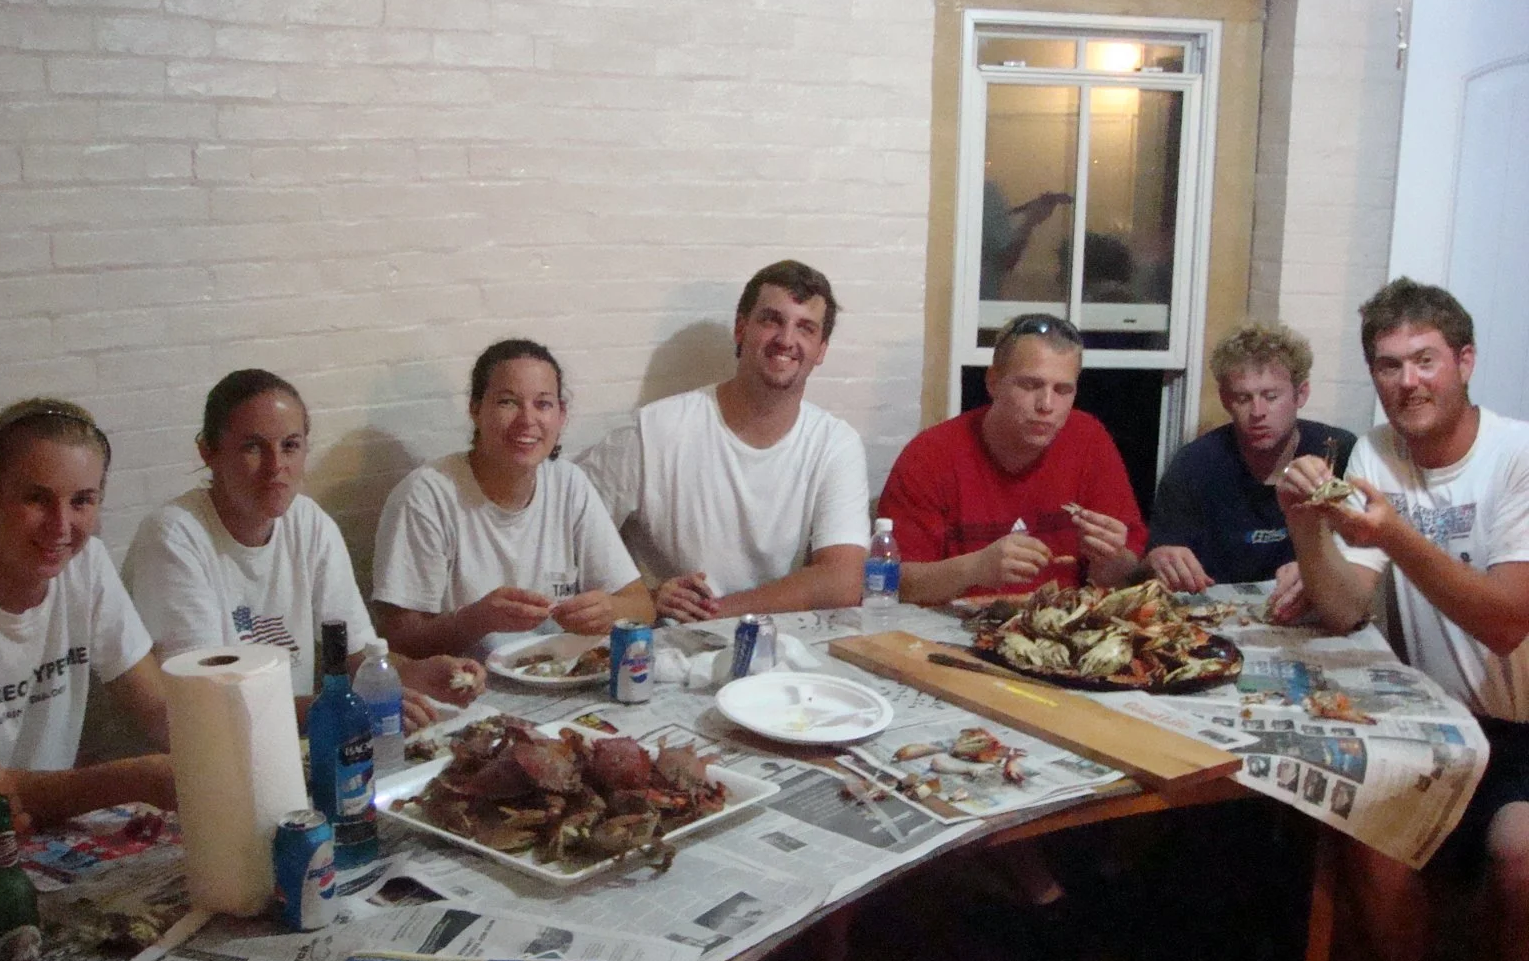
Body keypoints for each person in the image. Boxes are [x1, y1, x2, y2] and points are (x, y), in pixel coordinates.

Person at [1280, 277, 1529, 961]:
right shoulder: (1373, 452)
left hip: (1522, 728)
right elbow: (1347, 604)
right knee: (1362, 825)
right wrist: (1304, 525)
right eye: (1388, 366)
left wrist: (1396, 533)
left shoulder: (1518, 455)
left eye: (1425, 361)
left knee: (1524, 863)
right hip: (1429, 719)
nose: (1408, 381)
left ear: (1463, 363)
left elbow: (1503, 623)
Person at [125, 370, 483, 727]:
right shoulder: (173, 536)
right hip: (198, 762)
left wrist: (416, 673)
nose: (276, 466)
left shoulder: (308, 522)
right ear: (208, 452)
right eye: (253, 447)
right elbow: (206, 705)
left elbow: (355, 657)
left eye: (290, 446)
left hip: (288, 744)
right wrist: (341, 709)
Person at [0, 399, 176, 841]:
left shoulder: (87, 565)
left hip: (46, 838)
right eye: (36, 499)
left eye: (82, 501)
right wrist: (142, 777)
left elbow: (161, 713)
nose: (61, 526)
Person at [579, 259, 870, 622]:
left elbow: (841, 581)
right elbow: (567, 533)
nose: (786, 340)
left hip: (780, 652)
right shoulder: (656, 430)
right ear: (740, 328)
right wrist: (645, 599)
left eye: (805, 328)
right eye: (771, 320)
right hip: (668, 650)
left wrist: (715, 613)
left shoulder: (835, 444)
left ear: (821, 349)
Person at [373, 340, 653, 658]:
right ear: (476, 409)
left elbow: (641, 605)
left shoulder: (569, 483)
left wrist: (610, 609)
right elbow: (397, 642)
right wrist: (475, 620)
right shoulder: (426, 496)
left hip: (560, 678)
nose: (527, 420)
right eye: (508, 402)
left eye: (543, 404)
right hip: (465, 690)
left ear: (562, 415)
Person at [878, 313, 1146, 604]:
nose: (1046, 405)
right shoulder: (930, 456)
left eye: (1062, 390)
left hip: (1063, 629)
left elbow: (1123, 577)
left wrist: (1112, 559)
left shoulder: (1089, 440)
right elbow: (892, 585)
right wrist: (975, 568)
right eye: (1030, 385)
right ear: (993, 382)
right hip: (953, 632)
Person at [1144, 322, 1356, 619]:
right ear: (1225, 400)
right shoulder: (1194, 465)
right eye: (1243, 398)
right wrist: (1161, 560)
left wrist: (1318, 568)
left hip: (1317, 617)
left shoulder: (1339, 452)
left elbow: (1364, 556)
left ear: (1301, 394)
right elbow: (1155, 560)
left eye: (1271, 397)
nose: (1258, 413)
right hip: (1219, 619)